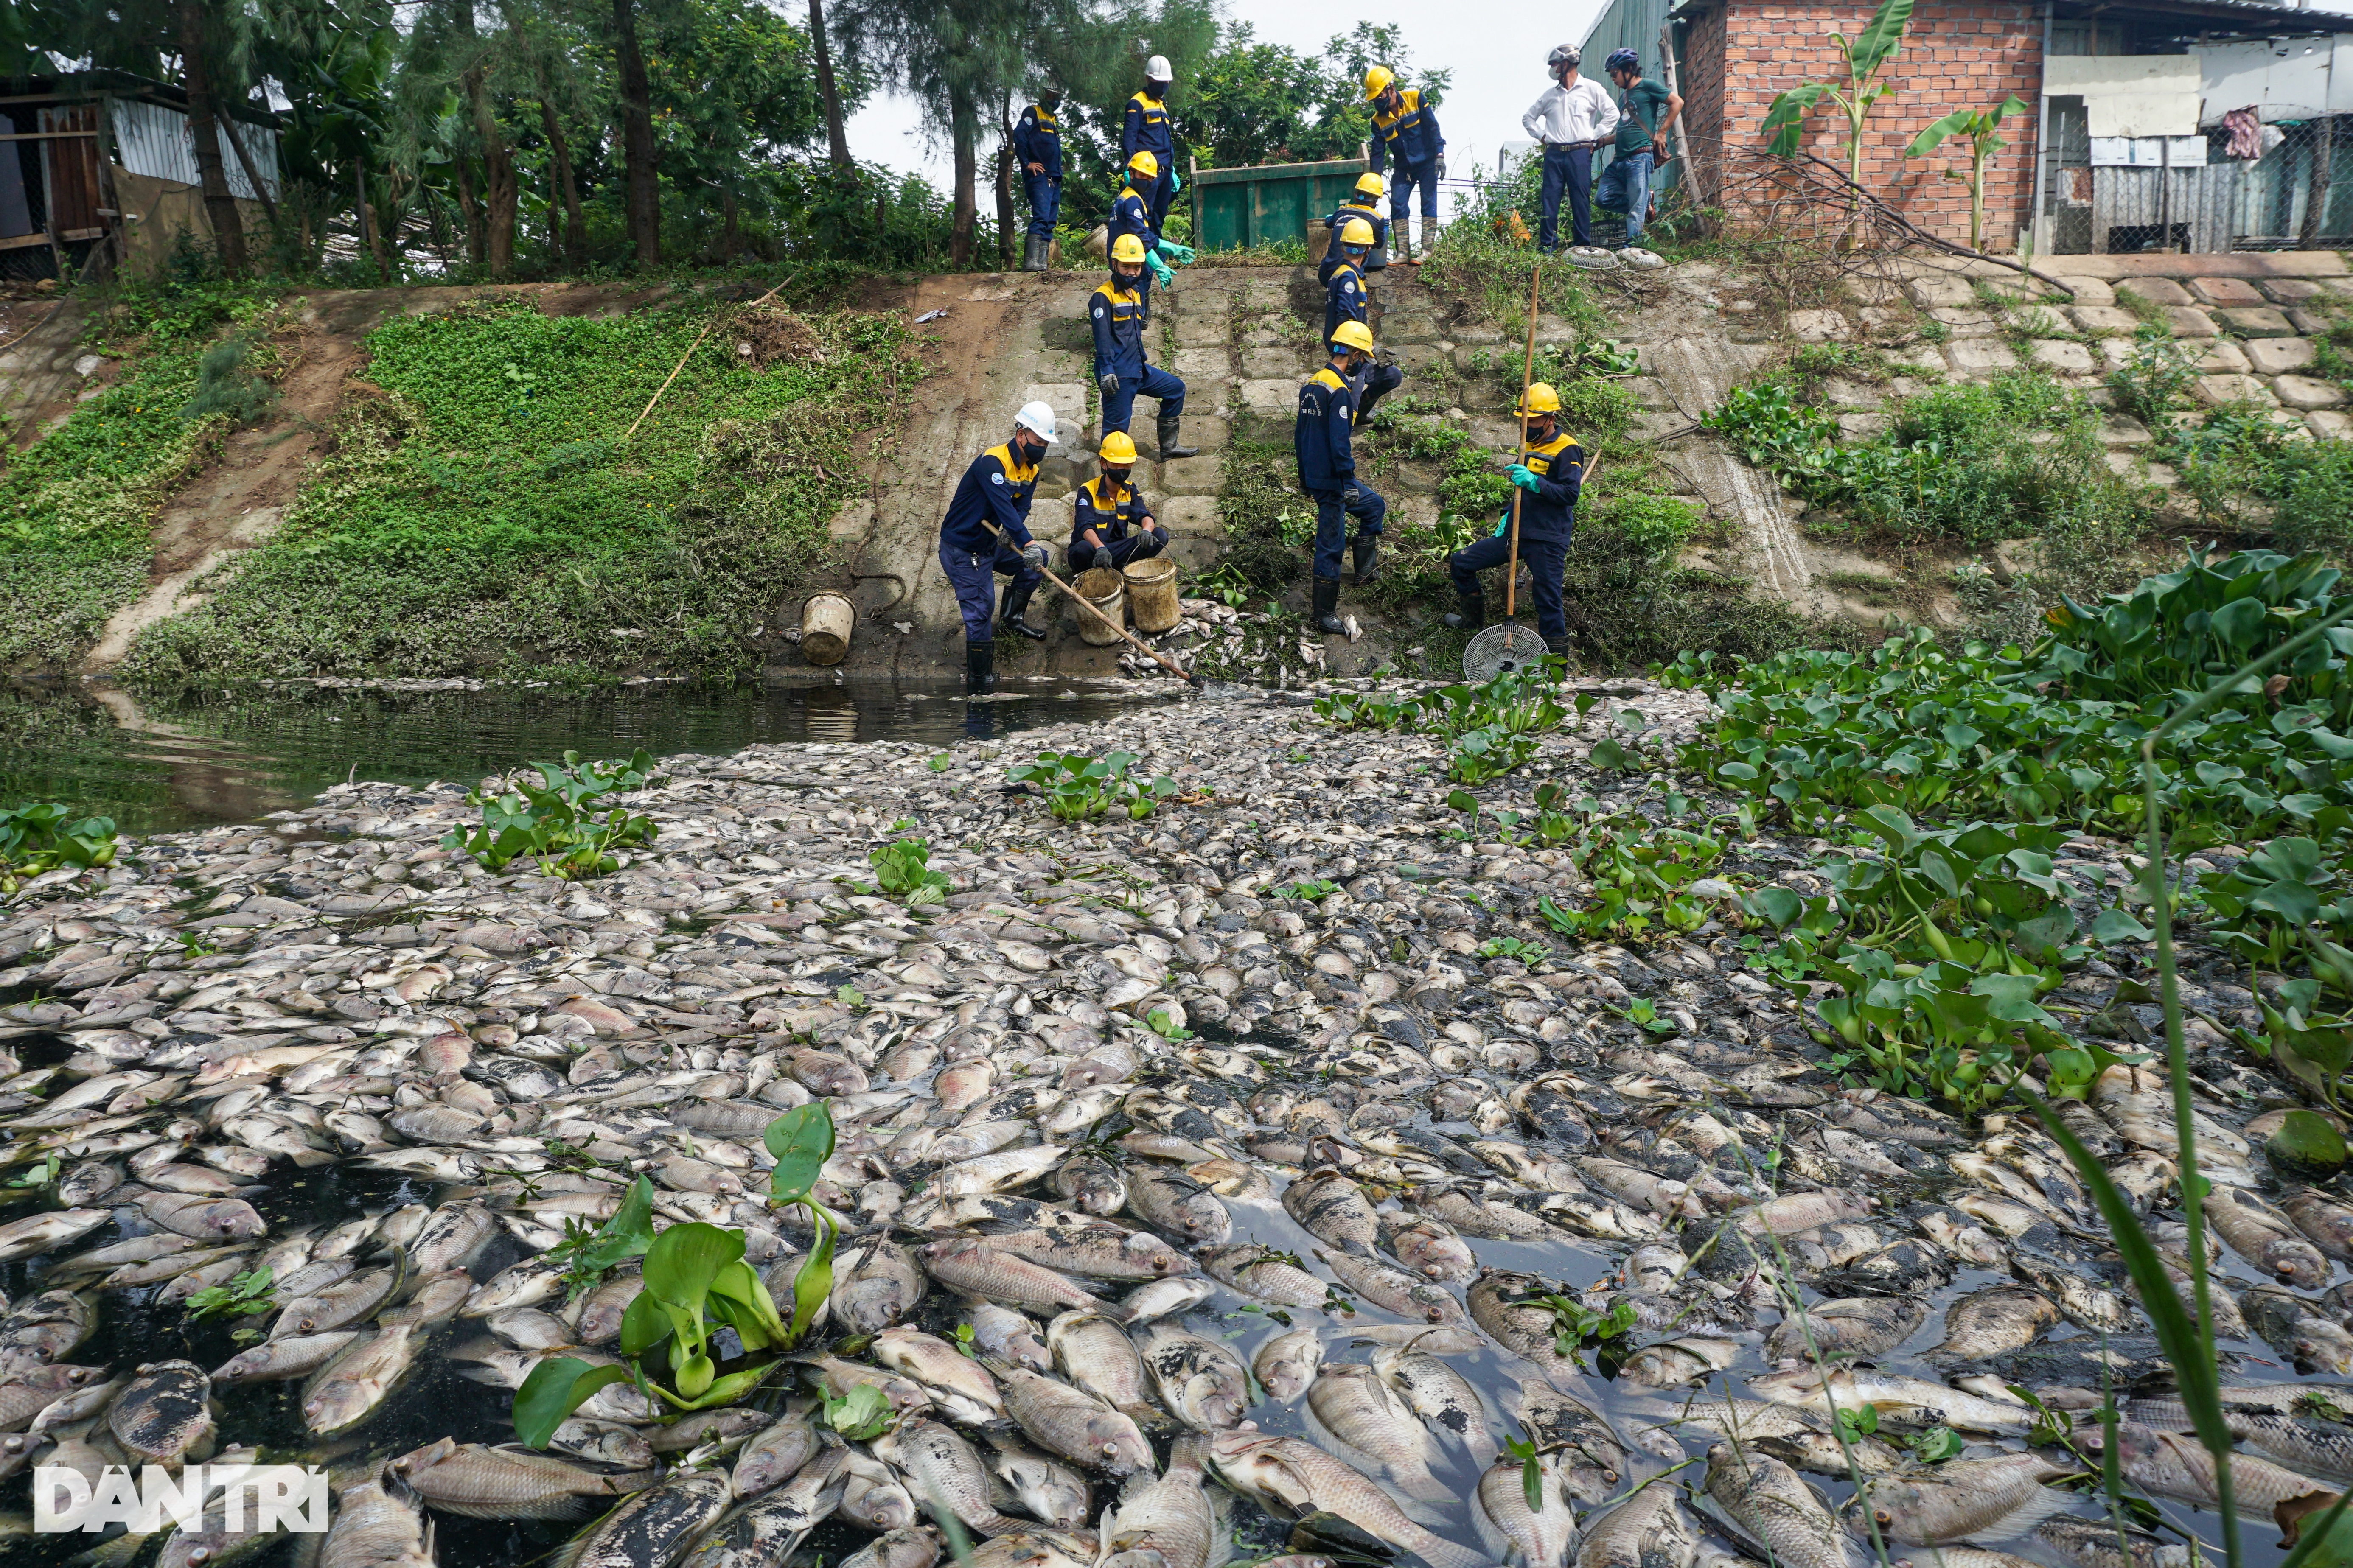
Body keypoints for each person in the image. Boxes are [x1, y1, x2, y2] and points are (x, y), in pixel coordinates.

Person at [1443, 382, 1582, 658]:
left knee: (1548, 600)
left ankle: (1557, 671)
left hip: (1547, 538)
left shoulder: (1567, 449)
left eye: (1533, 420)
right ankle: (1472, 622)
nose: (1527, 425)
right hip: (1517, 531)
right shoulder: (1527, 445)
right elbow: (1525, 493)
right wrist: (1508, 512)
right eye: (1524, 420)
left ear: (1550, 419)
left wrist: (1534, 482)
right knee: (1462, 561)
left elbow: (1570, 494)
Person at [940, 401, 1057, 694]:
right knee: (980, 610)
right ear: (1021, 435)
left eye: (1045, 444)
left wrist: (1011, 534)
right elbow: (1002, 505)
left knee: (1037, 562)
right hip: (963, 549)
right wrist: (1025, 541)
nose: (1040, 448)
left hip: (991, 542)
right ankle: (979, 681)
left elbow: (1020, 507)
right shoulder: (992, 462)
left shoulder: (1031, 470)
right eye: (1037, 441)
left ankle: (1011, 620)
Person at [1296, 319, 1386, 633]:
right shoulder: (1340, 391)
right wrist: (1347, 482)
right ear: (1355, 356)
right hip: (1332, 479)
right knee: (1330, 544)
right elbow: (1339, 443)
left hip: (1316, 473)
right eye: (1363, 358)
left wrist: (1303, 477)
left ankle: (1364, 572)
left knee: (1373, 505)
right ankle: (1323, 614)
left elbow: (1300, 435)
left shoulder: (1313, 383)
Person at [1091, 234, 1196, 459]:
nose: (1132, 272)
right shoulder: (1103, 296)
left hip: (1140, 370)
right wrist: (1107, 371)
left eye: (1137, 267)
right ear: (1114, 264)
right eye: (1126, 266)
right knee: (1116, 433)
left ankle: (1169, 447)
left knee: (1175, 389)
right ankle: (1108, 477)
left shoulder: (1137, 293)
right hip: (1118, 375)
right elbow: (1102, 339)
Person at [1521, 45, 1618, 257]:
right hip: (1554, 153)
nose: (1554, 69)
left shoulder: (1592, 89)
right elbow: (1528, 118)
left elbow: (1613, 113)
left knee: (1580, 199)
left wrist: (1596, 135)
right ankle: (1547, 248)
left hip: (1580, 153)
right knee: (1549, 200)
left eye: (1556, 64)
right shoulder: (1549, 96)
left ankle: (1582, 248)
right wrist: (1543, 136)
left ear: (1567, 63)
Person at [1594, 49, 1680, 247]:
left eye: (1614, 73)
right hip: (1619, 161)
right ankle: (1644, 202)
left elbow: (1677, 102)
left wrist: (1662, 131)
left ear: (1629, 69)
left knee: (1636, 208)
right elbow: (1625, 131)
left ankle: (1632, 251)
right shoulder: (1623, 99)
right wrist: (1603, 141)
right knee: (1603, 199)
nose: (1613, 78)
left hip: (1640, 158)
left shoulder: (1648, 86)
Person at [1323, 218, 1402, 426]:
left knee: (1391, 376)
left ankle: (1357, 414)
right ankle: (1346, 430)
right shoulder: (1349, 279)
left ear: (1343, 246)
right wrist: (1367, 351)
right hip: (1352, 348)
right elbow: (1346, 319)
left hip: (1352, 346)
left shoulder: (1341, 274)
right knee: (1353, 399)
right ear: (1368, 249)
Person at [1363, 67, 1444, 264]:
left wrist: (1440, 155)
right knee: (1398, 204)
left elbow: (1433, 127)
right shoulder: (1378, 120)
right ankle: (1403, 254)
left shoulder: (1416, 99)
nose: (1377, 101)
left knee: (1428, 203)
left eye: (1379, 95)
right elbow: (1378, 153)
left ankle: (1427, 252)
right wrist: (1375, 182)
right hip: (1403, 168)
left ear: (1390, 88)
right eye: (1374, 98)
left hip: (1427, 163)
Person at [1069, 431, 1167, 574]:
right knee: (1082, 549)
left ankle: (1122, 569)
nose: (1121, 469)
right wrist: (1100, 548)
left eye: (1126, 465)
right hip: (1094, 549)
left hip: (1118, 550)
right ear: (1104, 464)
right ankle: (1093, 575)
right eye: (1116, 465)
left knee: (1159, 536)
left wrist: (1146, 531)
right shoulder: (1088, 490)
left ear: (1132, 464)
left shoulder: (1130, 489)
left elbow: (1145, 515)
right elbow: (1085, 527)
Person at [1106, 152, 1191, 313]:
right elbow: (1140, 237)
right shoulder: (1132, 201)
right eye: (1142, 175)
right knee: (1130, 311)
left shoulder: (1128, 198)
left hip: (1124, 261)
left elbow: (1142, 232)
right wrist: (1159, 266)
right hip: (1128, 263)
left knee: (1135, 307)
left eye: (1150, 178)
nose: (1146, 180)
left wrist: (1169, 247)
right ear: (1131, 174)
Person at [1123, 56, 1180, 234]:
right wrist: (1128, 166)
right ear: (1148, 79)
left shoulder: (1162, 105)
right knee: (1143, 216)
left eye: (1166, 82)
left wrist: (1172, 169)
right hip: (1148, 173)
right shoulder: (1137, 102)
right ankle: (1140, 261)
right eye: (1159, 81)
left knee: (1158, 218)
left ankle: (1157, 261)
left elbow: (1165, 139)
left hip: (1166, 169)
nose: (1163, 86)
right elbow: (1129, 138)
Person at [1012, 89, 1063, 273]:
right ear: (1044, 95)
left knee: (1050, 221)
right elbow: (1019, 136)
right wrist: (1026, 163)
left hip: (1054, 177)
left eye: (1058, 97)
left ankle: (1041, 264)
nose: (1055, 100)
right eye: (1052, 96)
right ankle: (1031, 263)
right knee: (1041, 217)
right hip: (1040, 176)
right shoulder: (1033, 112)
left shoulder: (1052, 119)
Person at [1320, 172, 1390, 279]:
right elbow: (1380, 244)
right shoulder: (1377, 219)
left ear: (1356, 195)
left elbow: (1328, 223)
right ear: (1376, 200)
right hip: (1350, 276)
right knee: (1367, 244)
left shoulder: (1341, 211)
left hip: (1326, 274)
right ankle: (1359, 275)